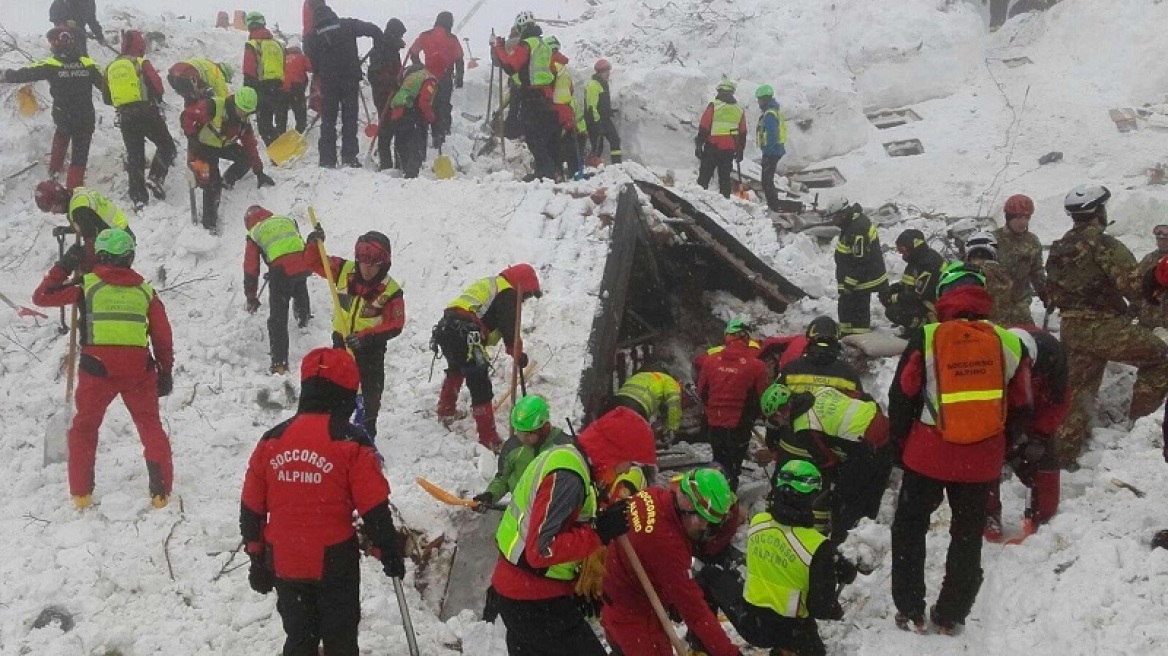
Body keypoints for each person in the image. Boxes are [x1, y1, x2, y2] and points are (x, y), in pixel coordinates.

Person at [888, 262, 1032, 634]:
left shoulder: (928, 336)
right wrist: (1001, 446)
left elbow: (902, 394)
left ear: (944, 296)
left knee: (909, 528)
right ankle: (951, 614)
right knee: (967, 535)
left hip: (927, 454)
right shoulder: (1010, 341)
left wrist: (902, 445)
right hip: (980, 461)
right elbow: (1022, 404)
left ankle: (910, 609)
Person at [240, 347, 406, 656]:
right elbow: (374, 507)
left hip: (285, 558)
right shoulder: (350, 442)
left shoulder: (272, 439)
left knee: (300, 636)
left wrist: (255, 555)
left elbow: (251, 508)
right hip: (334, 561)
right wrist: (388, 549)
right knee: (339, 638)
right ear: (346, 393)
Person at [32, 228, 174, 509]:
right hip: (139, 371)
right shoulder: (146, 291)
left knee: (84, 429)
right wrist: (165, 371)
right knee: (150, 427)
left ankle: (82, 495)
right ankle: (160, 494)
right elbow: (162, 336)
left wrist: (64, 265)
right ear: (130, 257)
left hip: (96, 369)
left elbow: (41, 297)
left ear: (100, 255)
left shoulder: (87, 285)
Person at [491, 402, 647, 656]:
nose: (627, 469)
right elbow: (541, 550)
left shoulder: (570, 461)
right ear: (611, 453)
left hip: (523, 592)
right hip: (533, 600)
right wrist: (598, 532)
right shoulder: (568, 478)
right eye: (627, 460)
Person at [1045, 185, 1168, 468]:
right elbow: (1134, 287)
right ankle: (1141, 427)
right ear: (1099, 212)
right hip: (1102, 327)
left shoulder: (1059, 248)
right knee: (1161, 356)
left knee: (1076, 394)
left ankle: (1060, 460)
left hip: (1071, 329)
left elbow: (1051, 290)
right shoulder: (1104, 245)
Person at [696, 460, 844, 656]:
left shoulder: (758, 522)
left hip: (750, 621)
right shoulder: (817, 546)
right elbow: (821, 608)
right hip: (792, 634)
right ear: (813, 497)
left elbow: (783, 551)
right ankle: (787, 650)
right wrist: (833, 605)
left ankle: (701, 648)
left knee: (710, 575)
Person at [602, 468, 743, 656]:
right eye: (703, 520)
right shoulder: (667, 546)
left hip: (618, 600)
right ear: (687, 505)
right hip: (635, 619)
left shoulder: (653, 495)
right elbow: (696, 614)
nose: (704, 527)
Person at [302, 227, 404, 440]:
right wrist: (313, 244)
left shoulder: (391, 290)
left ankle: (367, 436)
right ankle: (336, 432)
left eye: (373, 265)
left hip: (370, 349)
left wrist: (366, 337)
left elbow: (396, 323)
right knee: (336, 388)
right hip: (341, 342)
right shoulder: (342, 270)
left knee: (370, 396)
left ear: (383, 264)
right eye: (363, 263)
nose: (366, 269)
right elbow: (313, 262)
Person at [761, 382, 890, 544]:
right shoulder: (821, 390)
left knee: (843, 501)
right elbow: (862, 397)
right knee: (872, 492)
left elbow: (827, 461)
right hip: (885, 430)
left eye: (774, 419)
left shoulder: (803, 425)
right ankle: (868, 534)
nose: (778, 424)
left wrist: (838, 483)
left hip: (868, 447)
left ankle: (842, 545)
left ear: (781, 412)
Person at [433, 263, 542, 449]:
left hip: (447, 327)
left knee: (456, 370)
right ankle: (489, 438)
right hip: (467, 332)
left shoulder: (493, 284)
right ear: (523, 285)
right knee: (480, 384)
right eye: (526, 295)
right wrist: (517, 354)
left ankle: (446, 410)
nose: (523, 300)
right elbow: (510, 331)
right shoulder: (508, 294)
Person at [985, 326, 1068, 542]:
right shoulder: (993, 358)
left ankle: (1042, 516)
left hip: (1038, 410)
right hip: (1000, 414)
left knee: (1046, 460)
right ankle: (989, 514)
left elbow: (1059, 399)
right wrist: (1011, 446)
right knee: (988, 457)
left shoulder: (1051, 354)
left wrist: (1040, 435)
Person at [1, 28, 103, 189]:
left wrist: (4, 75)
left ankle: (54, 172)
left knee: (61, 135)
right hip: (85, 116)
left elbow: (24, 74)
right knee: (79, 155)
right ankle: (73, 189)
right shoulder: (88, 64)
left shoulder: (51, 64)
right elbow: (106, 86)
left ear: (56, 43)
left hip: (64, 115)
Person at [181, 87, 275, 231]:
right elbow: (187, 116)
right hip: (203, 146)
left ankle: (228, 180)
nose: (244, 114)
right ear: (235, 102)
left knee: (245, 157)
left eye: (248, 112)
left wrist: (259, 171)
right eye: (242, 110)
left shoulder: (243, 123)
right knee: (212, 185)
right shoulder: (213, 106)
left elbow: (251, 147)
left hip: (223, 145)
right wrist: (192, 137)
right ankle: (209, 224)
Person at [102, 29, 175, 209]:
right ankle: (156, 177)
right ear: (140, 45)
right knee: (167, 146)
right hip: (147, 112)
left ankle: (139, 199)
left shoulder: (110, 68)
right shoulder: (141, 62)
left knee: (135, 157)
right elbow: (158, 88)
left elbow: (106, 98)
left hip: (125, 117)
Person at [694, 319, 770, 489]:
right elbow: (763, 398)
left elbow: (702, 392)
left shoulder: (711, 360)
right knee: (733, 466)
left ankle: (713, 494)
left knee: (719, 461)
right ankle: (729, 497)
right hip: (740, 425)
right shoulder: (756, 366)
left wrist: (713, 411)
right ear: (746, 338)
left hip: (715, 422)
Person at [305, 5, 382, 168]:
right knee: (350, 118)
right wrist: (378, 46)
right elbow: (374, 30)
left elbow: (312, 62)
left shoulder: (312, 36)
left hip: (329, 83)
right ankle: (349, 157)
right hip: (349, 80)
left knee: (328, 121)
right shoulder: (347, 25)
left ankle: (327, 159)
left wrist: (322, 71)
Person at [492, 12, 564, 181]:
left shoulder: (526, 44)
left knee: (532, 136)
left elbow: (511, 66)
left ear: (521, 27)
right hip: (545, 95)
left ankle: (547, 172)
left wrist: (499, 49)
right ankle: (553, 171)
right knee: (545, 136)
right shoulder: (543, 44)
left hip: (531, 95)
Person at [242, 206, 312, 375]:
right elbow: (291, 246)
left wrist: (251, 295)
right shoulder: (286, 219)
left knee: (277, 319)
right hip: (304, 262)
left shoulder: (255, 232)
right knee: (299, 285)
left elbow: (251, 267)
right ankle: (304, 318)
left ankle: (279, 363)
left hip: (281, 272)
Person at [473, 395, 574, 508]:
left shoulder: (564, 447)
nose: (523, 438)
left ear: (544, 428)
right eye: (520, 432)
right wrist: (490, 495)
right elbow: (503, 479)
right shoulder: (513, 448)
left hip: (552, 511)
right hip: (521, 510)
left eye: (528, 434)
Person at [35, 181, 130, 273]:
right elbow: (90, 222)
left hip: (118, 244)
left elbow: (91, 242)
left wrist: (85, 272)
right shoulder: (78, 193)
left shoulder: (79, 210)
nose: (55, 213)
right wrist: (67, 229)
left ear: (61, 198)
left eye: (55, 208)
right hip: (120, 234)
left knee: (96, 273)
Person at [828, 198, 888, 335]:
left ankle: (860, 338)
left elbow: (860, 261)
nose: (833, 221)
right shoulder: (850, 224)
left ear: (842, 215)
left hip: (863, 279)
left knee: (858, 308)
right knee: (846, 306)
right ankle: (847, 335)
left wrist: (849, 283)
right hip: (854, 277)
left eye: (834, 218)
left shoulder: (857, 229)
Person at [407, 11, 464, 147]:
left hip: (427, 77)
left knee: (426, 104)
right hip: (445, 78)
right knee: (442, 106)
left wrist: (419, 67)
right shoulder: (452, 39)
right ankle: (439, 136)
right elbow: (459, 59)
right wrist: (459, 77)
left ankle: (423, 134)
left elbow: (413, 52)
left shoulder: (425, 35)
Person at [777, 316, 865, 397]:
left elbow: (772, 402)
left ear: (808, 339)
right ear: (836, 340)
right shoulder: (849, 374)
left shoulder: (791, 369)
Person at [994, 194, 1047, 326]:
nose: (1023, 222)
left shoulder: (1032, 242)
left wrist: (1046, 294)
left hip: (1020, 307)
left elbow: (1037, 272)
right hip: (995, 308)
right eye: (1018, 217)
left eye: (1026, 217)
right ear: (1009, 217)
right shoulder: (993, 240)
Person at [388, 56, 444, 179]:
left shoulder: (413, 76)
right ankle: (412, 176)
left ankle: (402, 170)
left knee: (402, 143)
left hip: (398, 112)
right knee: (415, 145)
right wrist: (431, 118)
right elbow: (424, 102)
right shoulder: (429, 79)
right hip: (410, 111)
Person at [881, 229, 943, 333]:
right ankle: (912, 324)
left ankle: (922, 327)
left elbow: (920, 294)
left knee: (894, 311)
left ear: (915, 246)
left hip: (932, 305)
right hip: (921, 300)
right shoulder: (917, 260)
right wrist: (893, 289)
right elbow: (909, 282)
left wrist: (894, 298)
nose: (902, 255)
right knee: (890, 301)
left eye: (903, 250)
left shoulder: (929, 262)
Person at [695, 79, 747, 198]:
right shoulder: (739, 110)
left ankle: (698, 200)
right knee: (724, 180)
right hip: (728, 149)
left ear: (721, 91)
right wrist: (740, 150)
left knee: (704, 177)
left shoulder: (714, 105)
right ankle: (725, 202)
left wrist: (699, 144)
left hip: (712, 147)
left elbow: (704, 126)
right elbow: (742, 132)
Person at [368, 19, 407, 171]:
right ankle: (386, 164)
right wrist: (391, 81)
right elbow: (375, 73)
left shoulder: (393, 49)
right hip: (383, 94)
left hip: (394, 93)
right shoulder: (380, 49)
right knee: (386, 128)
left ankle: (399, 164)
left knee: (398, 127)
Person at [241, 12, 286, 145]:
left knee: (264, 125)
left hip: (262, 88)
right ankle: (282, 148)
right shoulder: (278, 45)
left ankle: (278, 153)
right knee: (277, 122)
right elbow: (284, 65)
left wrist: (247, 91)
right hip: (279, 88)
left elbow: (249, 70)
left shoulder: (252, 44)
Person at [613, 368, 683, 441]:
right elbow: (674, 403)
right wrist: (672, 428)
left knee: (615, 434)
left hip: (617, 402)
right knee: (636, 440)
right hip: (637, 405)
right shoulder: (670, 381)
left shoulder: (644, 375)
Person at [962, 231, 1016, 325]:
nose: (979, 260)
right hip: (1000, 331)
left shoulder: (968, 275)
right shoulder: (1003, 276)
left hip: (976, 330)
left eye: (983, 256)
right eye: (975, 257)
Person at [754, 84, 787, 211]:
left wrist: (768, 152)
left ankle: (774, 207)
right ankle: (773, 205)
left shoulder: (770, 114)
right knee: (768, 179)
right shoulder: (773, 111)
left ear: (764, 99)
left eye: (759, 100)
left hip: (772, 151)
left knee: (767, 180)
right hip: (775, 150)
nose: (758, 102)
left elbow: (772, 134)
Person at [585, 59, 621, 165]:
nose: (608, 74)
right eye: (607, 72)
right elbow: (592, 107)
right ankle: (592, 167)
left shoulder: (603, 84)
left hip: (605, 119)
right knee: (597, 147)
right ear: (601, 72)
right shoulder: (593, 85)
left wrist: (608, 110)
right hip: (595, 121)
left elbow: (602, 103)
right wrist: (597, 123)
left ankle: (617, 165)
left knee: (615, 141)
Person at [1132, 224, 1168, 329]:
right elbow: (1137, 285)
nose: (1162, 243)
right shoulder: (1149, 259)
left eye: (1165, 240)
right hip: (1148, 319)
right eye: (1159, 240)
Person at [167, 57, 231, 105]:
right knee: (205, 97)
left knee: (189, 99)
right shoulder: (218, 74)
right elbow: (224, 99)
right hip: (186, 76)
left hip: (172, 74)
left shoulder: (207, 62)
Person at [282, 46, 312, 134]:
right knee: (300, 115)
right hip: (296, 88)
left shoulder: (283, 58)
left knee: (282, 116)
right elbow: (311, 68)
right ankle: (298, 135)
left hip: (283, 89)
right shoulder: (302, 57)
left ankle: (281, 135)